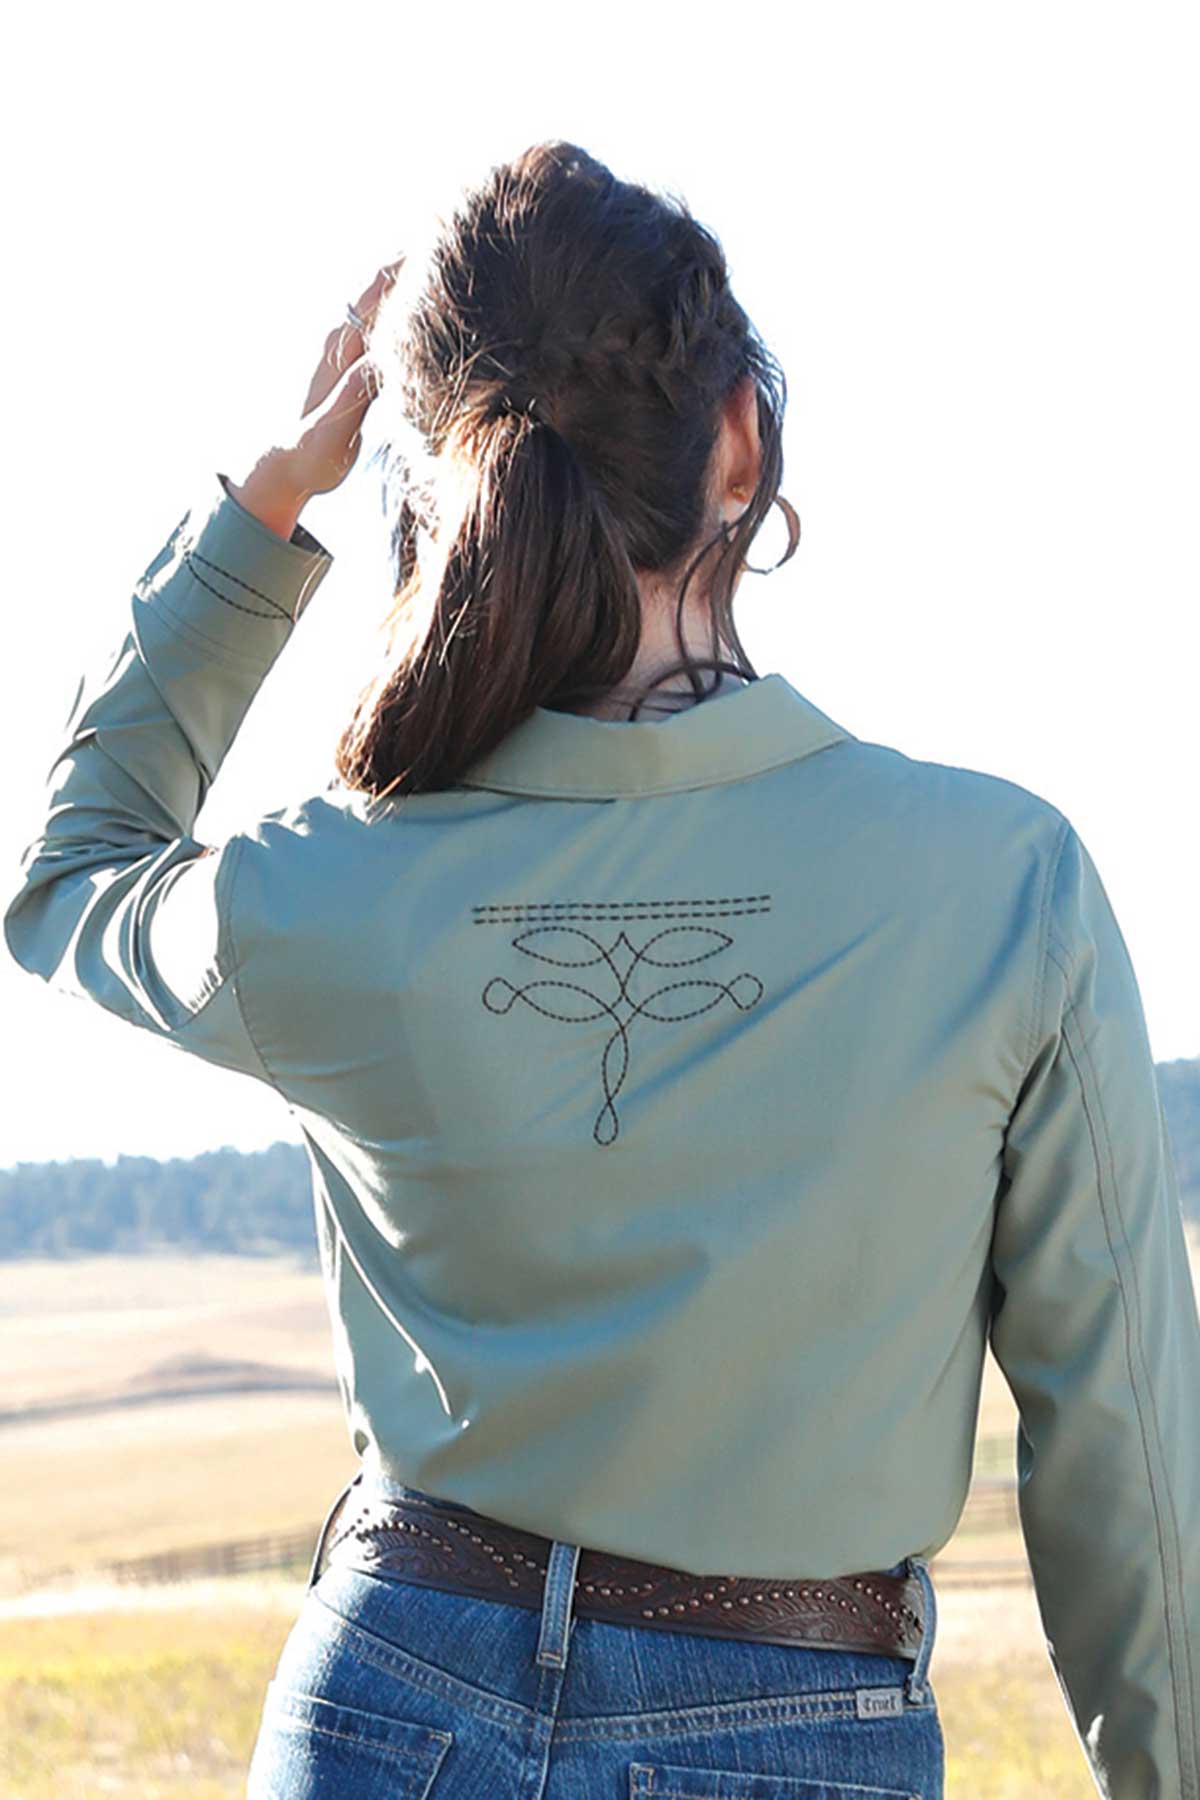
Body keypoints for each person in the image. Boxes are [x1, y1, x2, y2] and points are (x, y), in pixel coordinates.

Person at [4, 139, 1198, 1800]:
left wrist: (267, 502)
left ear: (427, 494)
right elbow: (1128, 1451)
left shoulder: (329, 891)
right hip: (800, 1722)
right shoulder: (1001, 885)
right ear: (740, 441)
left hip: (383, 1703)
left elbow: (73, 873)